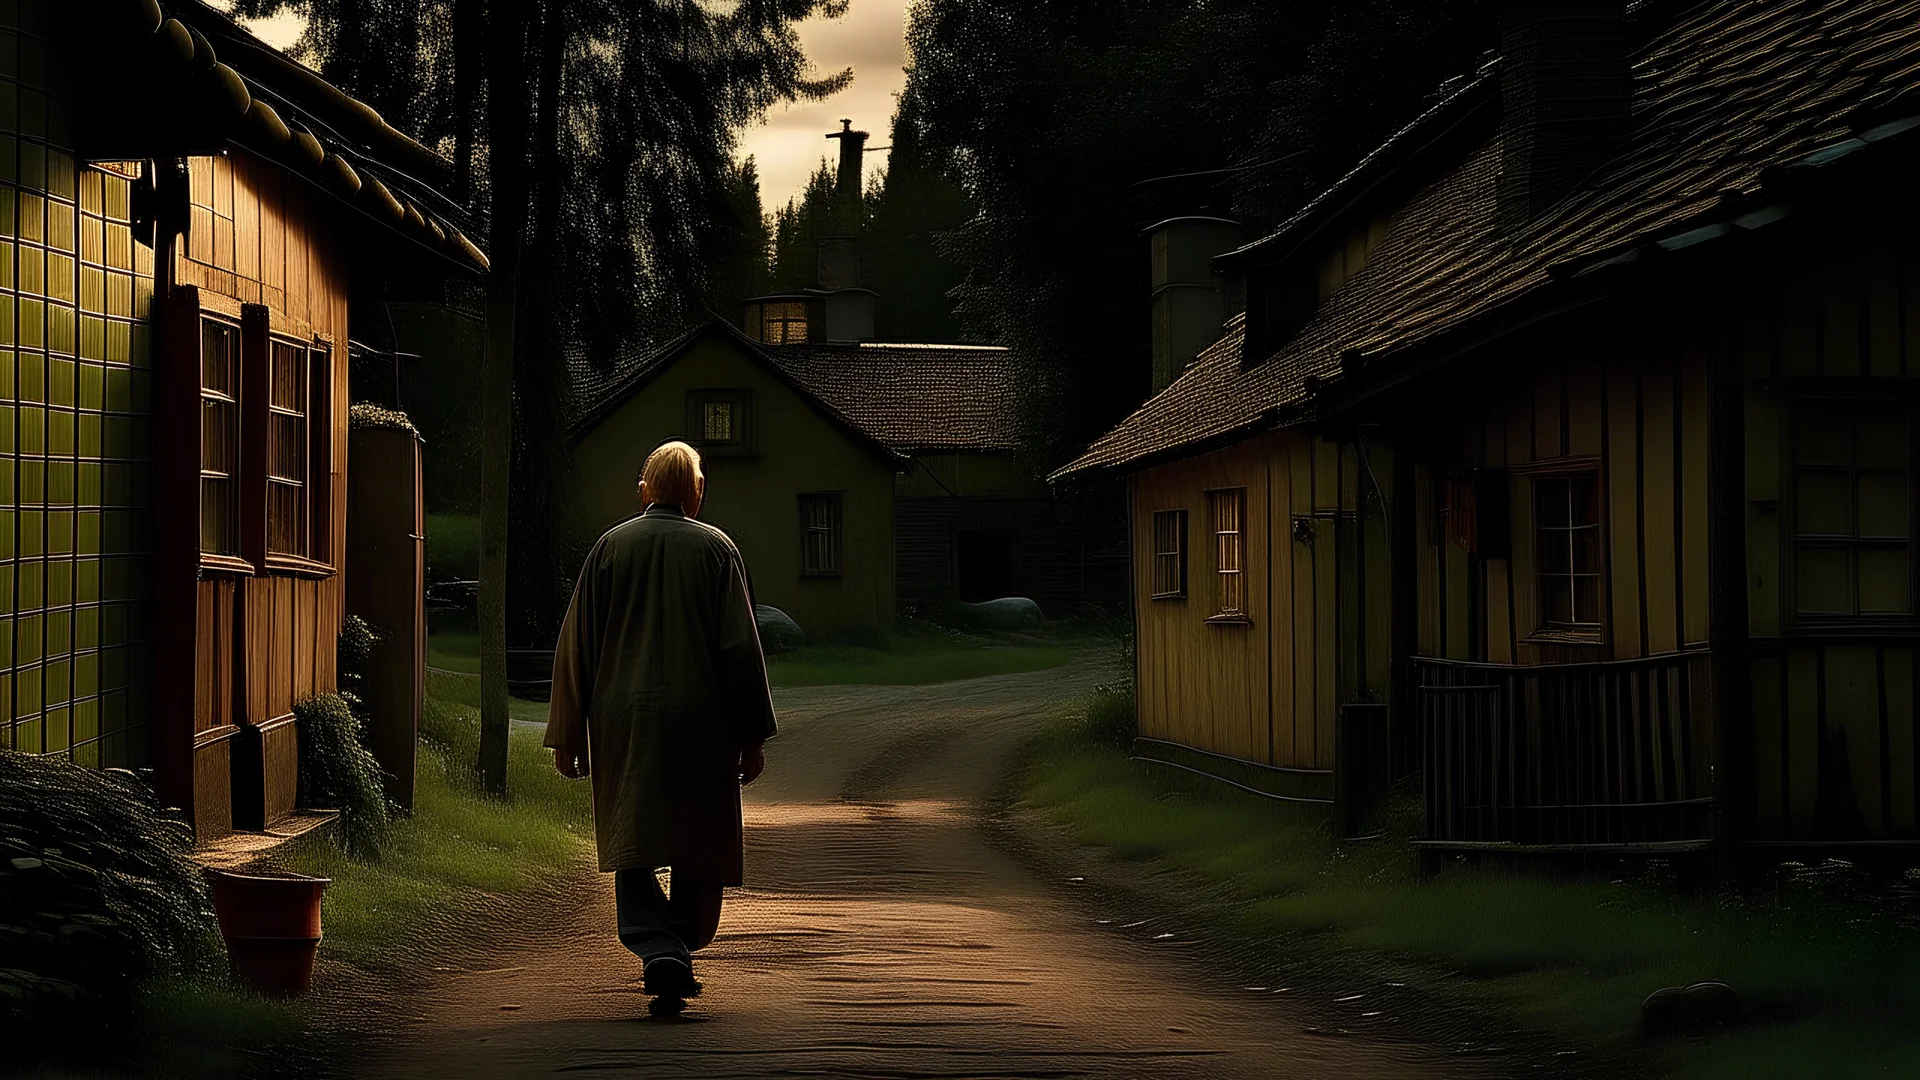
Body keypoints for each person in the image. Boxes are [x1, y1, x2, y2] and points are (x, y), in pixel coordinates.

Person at [544, 440, 777, 1005]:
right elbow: (739, 648)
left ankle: (658, 945)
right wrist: (751, 736)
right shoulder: (716, 550)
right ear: (696, 493)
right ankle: (682, 942)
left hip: (626, 718)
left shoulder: (610, 548)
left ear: (644, 489)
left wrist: (568, 733)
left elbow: (577, 646)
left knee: (634, 835)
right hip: (702, 718)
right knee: (702, 835)